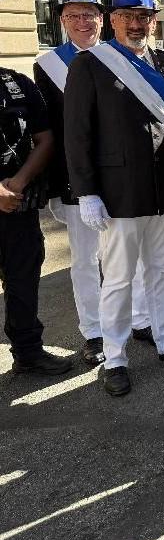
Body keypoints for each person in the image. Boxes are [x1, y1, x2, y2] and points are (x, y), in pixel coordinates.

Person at [64, 0, 164, 396]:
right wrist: (86, 191)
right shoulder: (90, 64)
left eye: (144, 16)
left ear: (153, 20)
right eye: (128, 16)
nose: (137, 24)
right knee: (120, 279)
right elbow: (78, 134)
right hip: (118, 195)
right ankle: (116, 356)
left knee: (162, 271)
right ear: (113, 20)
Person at [35, 0, 152, 365]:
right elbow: (51, 130)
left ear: (103, 19)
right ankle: (94, 332)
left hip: (123, 178)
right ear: (62, 22)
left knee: (129, 257)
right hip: (79, 181)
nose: (82, 22)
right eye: (73, 16)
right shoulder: (48, 65)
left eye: (89, 14)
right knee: (85, 260)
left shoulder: (125, 57)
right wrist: (60, 187)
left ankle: (140, 318)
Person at [0, 59, 69, 376]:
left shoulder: (17, 84)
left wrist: (19, 182)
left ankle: (28, 352)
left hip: (18, 203)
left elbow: (45, 138)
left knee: (23, 281)